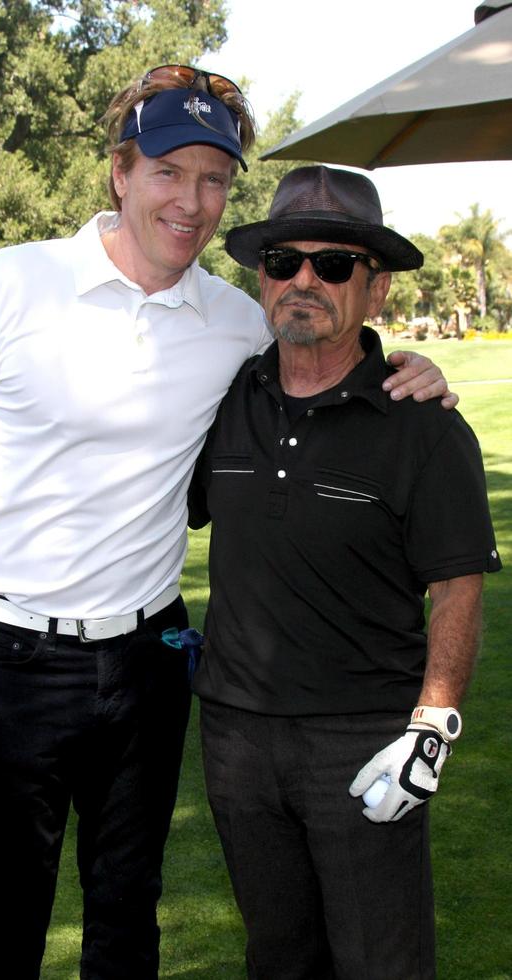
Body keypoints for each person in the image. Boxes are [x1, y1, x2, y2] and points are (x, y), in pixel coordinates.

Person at [0, 65, 454, 979]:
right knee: (4, 922)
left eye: (215, 179)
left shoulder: (236, 320)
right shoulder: (16, 283)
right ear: (121, 172)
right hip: (13, 657)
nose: (191, 202)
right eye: (168, 171)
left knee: (126, 916)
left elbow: (329, 338)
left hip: (149, 659)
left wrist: (416, 372)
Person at [188, 165, 502, 980]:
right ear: (262, 277)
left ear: (376, 289)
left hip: (362, 741)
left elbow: (458, 588)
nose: (304, 281)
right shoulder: (228, 400)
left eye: (333, 266)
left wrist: (429, 731)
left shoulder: (422, 427)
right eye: (285, 261)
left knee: (381, 962)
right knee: (278, 957)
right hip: (235, 736)